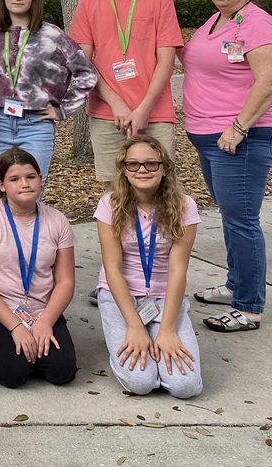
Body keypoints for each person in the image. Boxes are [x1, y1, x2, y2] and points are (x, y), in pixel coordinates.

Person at [180, 0, 272, 333]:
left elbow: (270, 79)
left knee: (242, 222)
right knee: (231, 216)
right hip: (210, 137)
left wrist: (238, 128)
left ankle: (249, 306)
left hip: (241, 139)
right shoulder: (217, 20)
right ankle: (235, 285)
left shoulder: (259, 23)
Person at [69, 0, 183, 187]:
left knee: (162, 188)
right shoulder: (89, 4)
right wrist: (116, 103)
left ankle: (156, 230)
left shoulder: (161, 1)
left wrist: (144, 109)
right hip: (107, 113)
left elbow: (167, 62)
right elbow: (82, 65)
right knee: (114, 192)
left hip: (155, 113)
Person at [96, 136, 202, 398]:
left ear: (165, 168)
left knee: (184, 386)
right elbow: (112, 268)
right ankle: (127, 338)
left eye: (151, 164)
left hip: (165, 296)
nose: (142, 170)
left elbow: (178, 270)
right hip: (120, 294)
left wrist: (166, 330)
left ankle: (158, 333)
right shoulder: (110, 204)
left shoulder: (184, 206)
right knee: (140, 383)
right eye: (133, 164)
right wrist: (133, 325)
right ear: (123, 170)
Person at [0, 148, 77, 388]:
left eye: (31, 177)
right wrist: (17, 327)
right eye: (14, 179)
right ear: (1, 185)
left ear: (40, 179)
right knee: (13, 373)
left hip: (41, 308)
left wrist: (45, 322)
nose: (24, 184)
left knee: (62, 371)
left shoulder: (57, 220)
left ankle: (30, 345)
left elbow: (65, 281)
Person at [0, 0, 96, 183]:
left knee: (30, 191)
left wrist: (63, 109)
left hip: (35, 124)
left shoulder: (52, 35)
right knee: (5, 189)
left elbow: (87, 74)